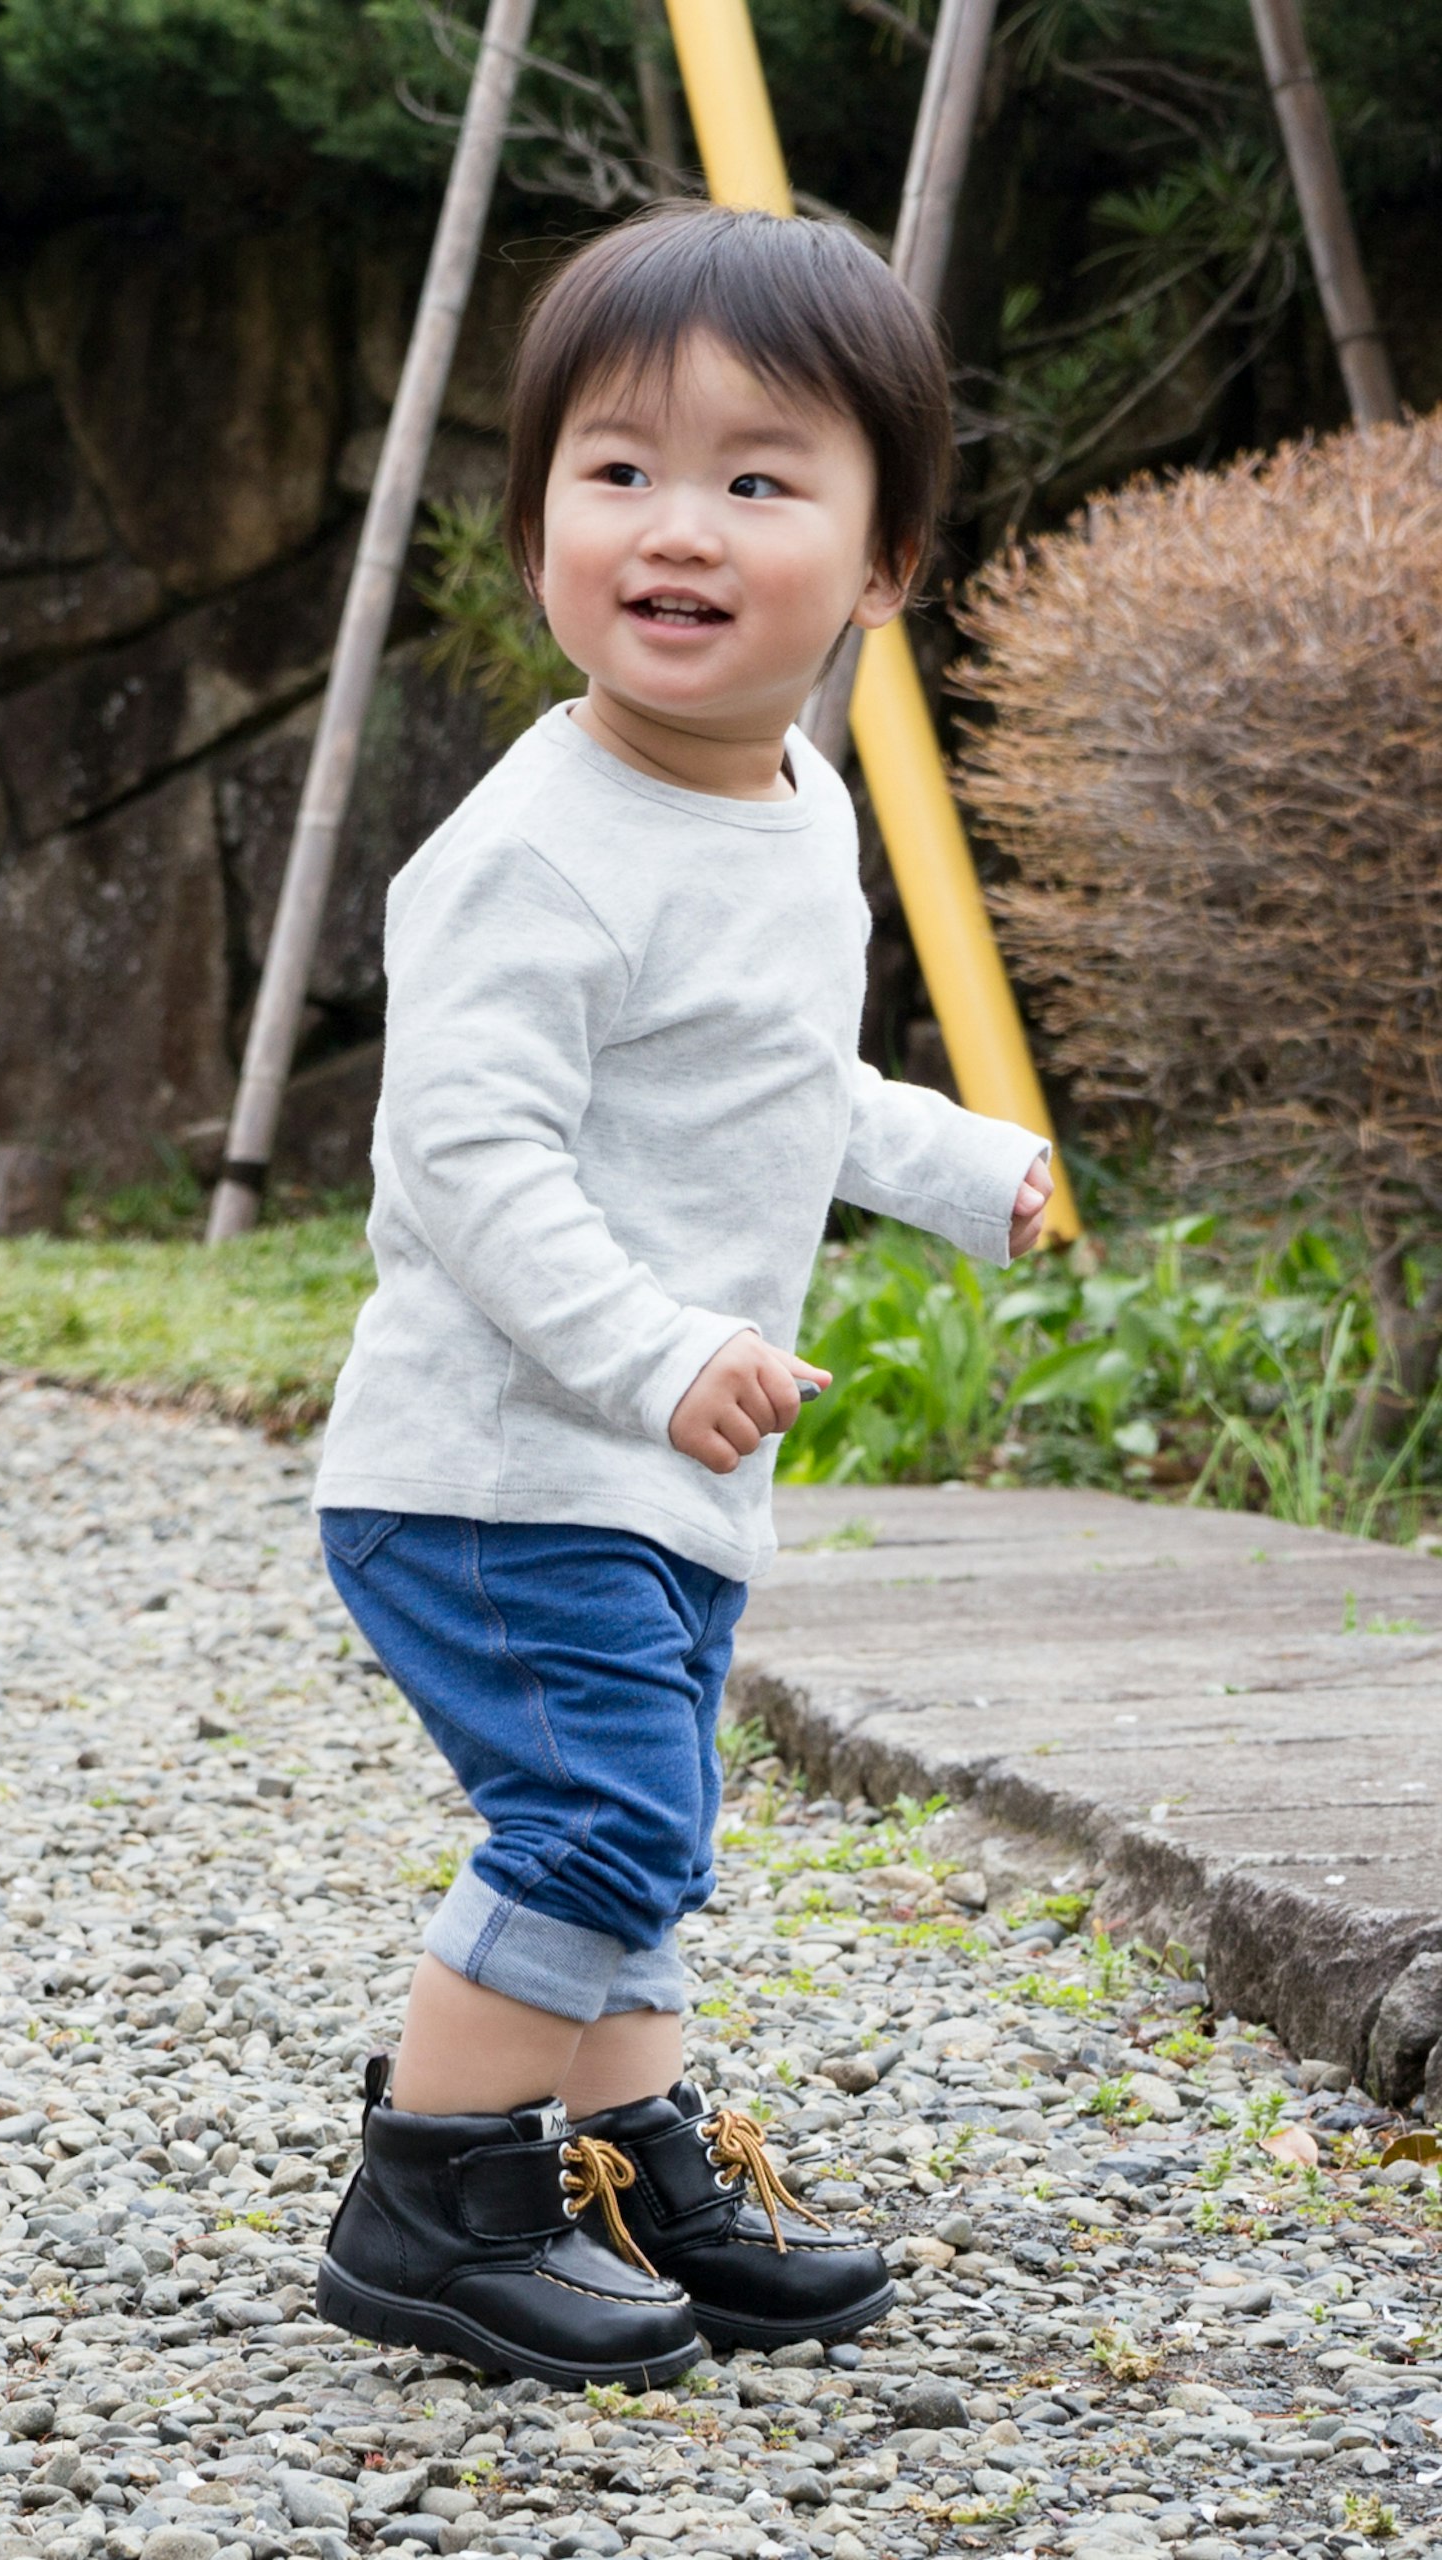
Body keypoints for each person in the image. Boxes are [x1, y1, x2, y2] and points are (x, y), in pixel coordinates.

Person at [304, 203, 1055, 2390]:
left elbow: (768, 1081)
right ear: (534, 521)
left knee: (651, 1820)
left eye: (758, 476)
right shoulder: (538, 852)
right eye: (616, 470)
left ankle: (628, 2159)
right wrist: (656, 1347)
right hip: (499, 1464)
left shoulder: (790, 803)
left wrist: (945, 1163)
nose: (677, 527)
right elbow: (468, 1160)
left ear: (887, 558)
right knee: (607, 1816)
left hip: (637, 1467)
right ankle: (434, 2191)